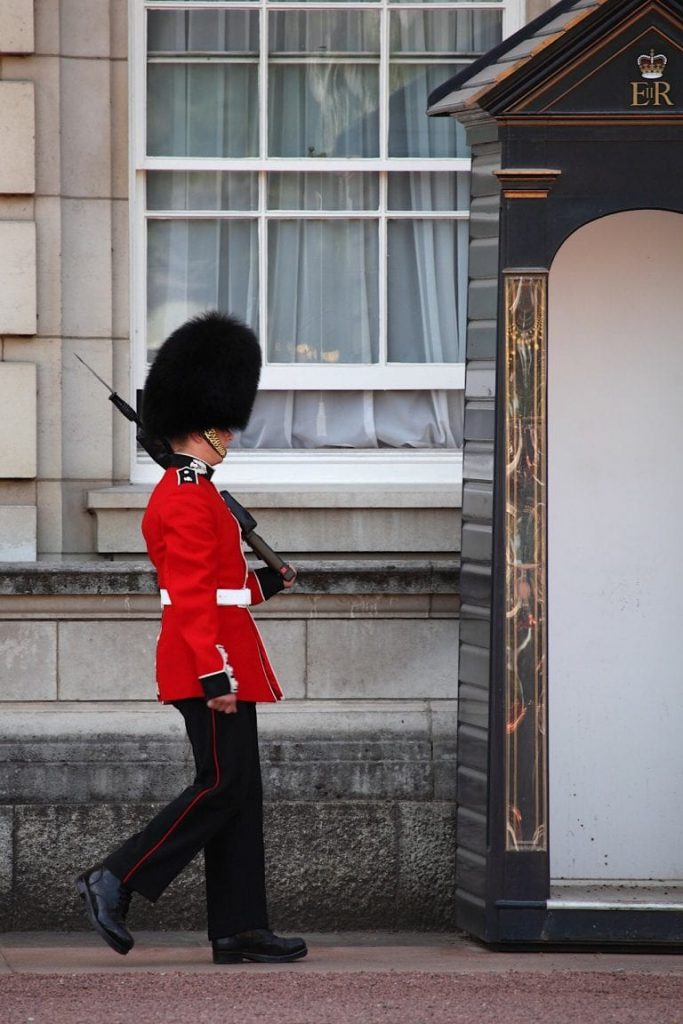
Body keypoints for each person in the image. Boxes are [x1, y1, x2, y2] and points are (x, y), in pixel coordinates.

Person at [76, 311, 307, 965]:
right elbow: (191, 598)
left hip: (225, 655)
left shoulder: (200, 492)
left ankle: (239, 927)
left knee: (238, 795)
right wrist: (215, 678)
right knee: (218, 786)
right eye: (226, 423)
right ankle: (115, 877)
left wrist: (271, 584)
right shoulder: (181, 495)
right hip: (209, 666)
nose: (232, 433)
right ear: (206, 425)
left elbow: (222, 591)